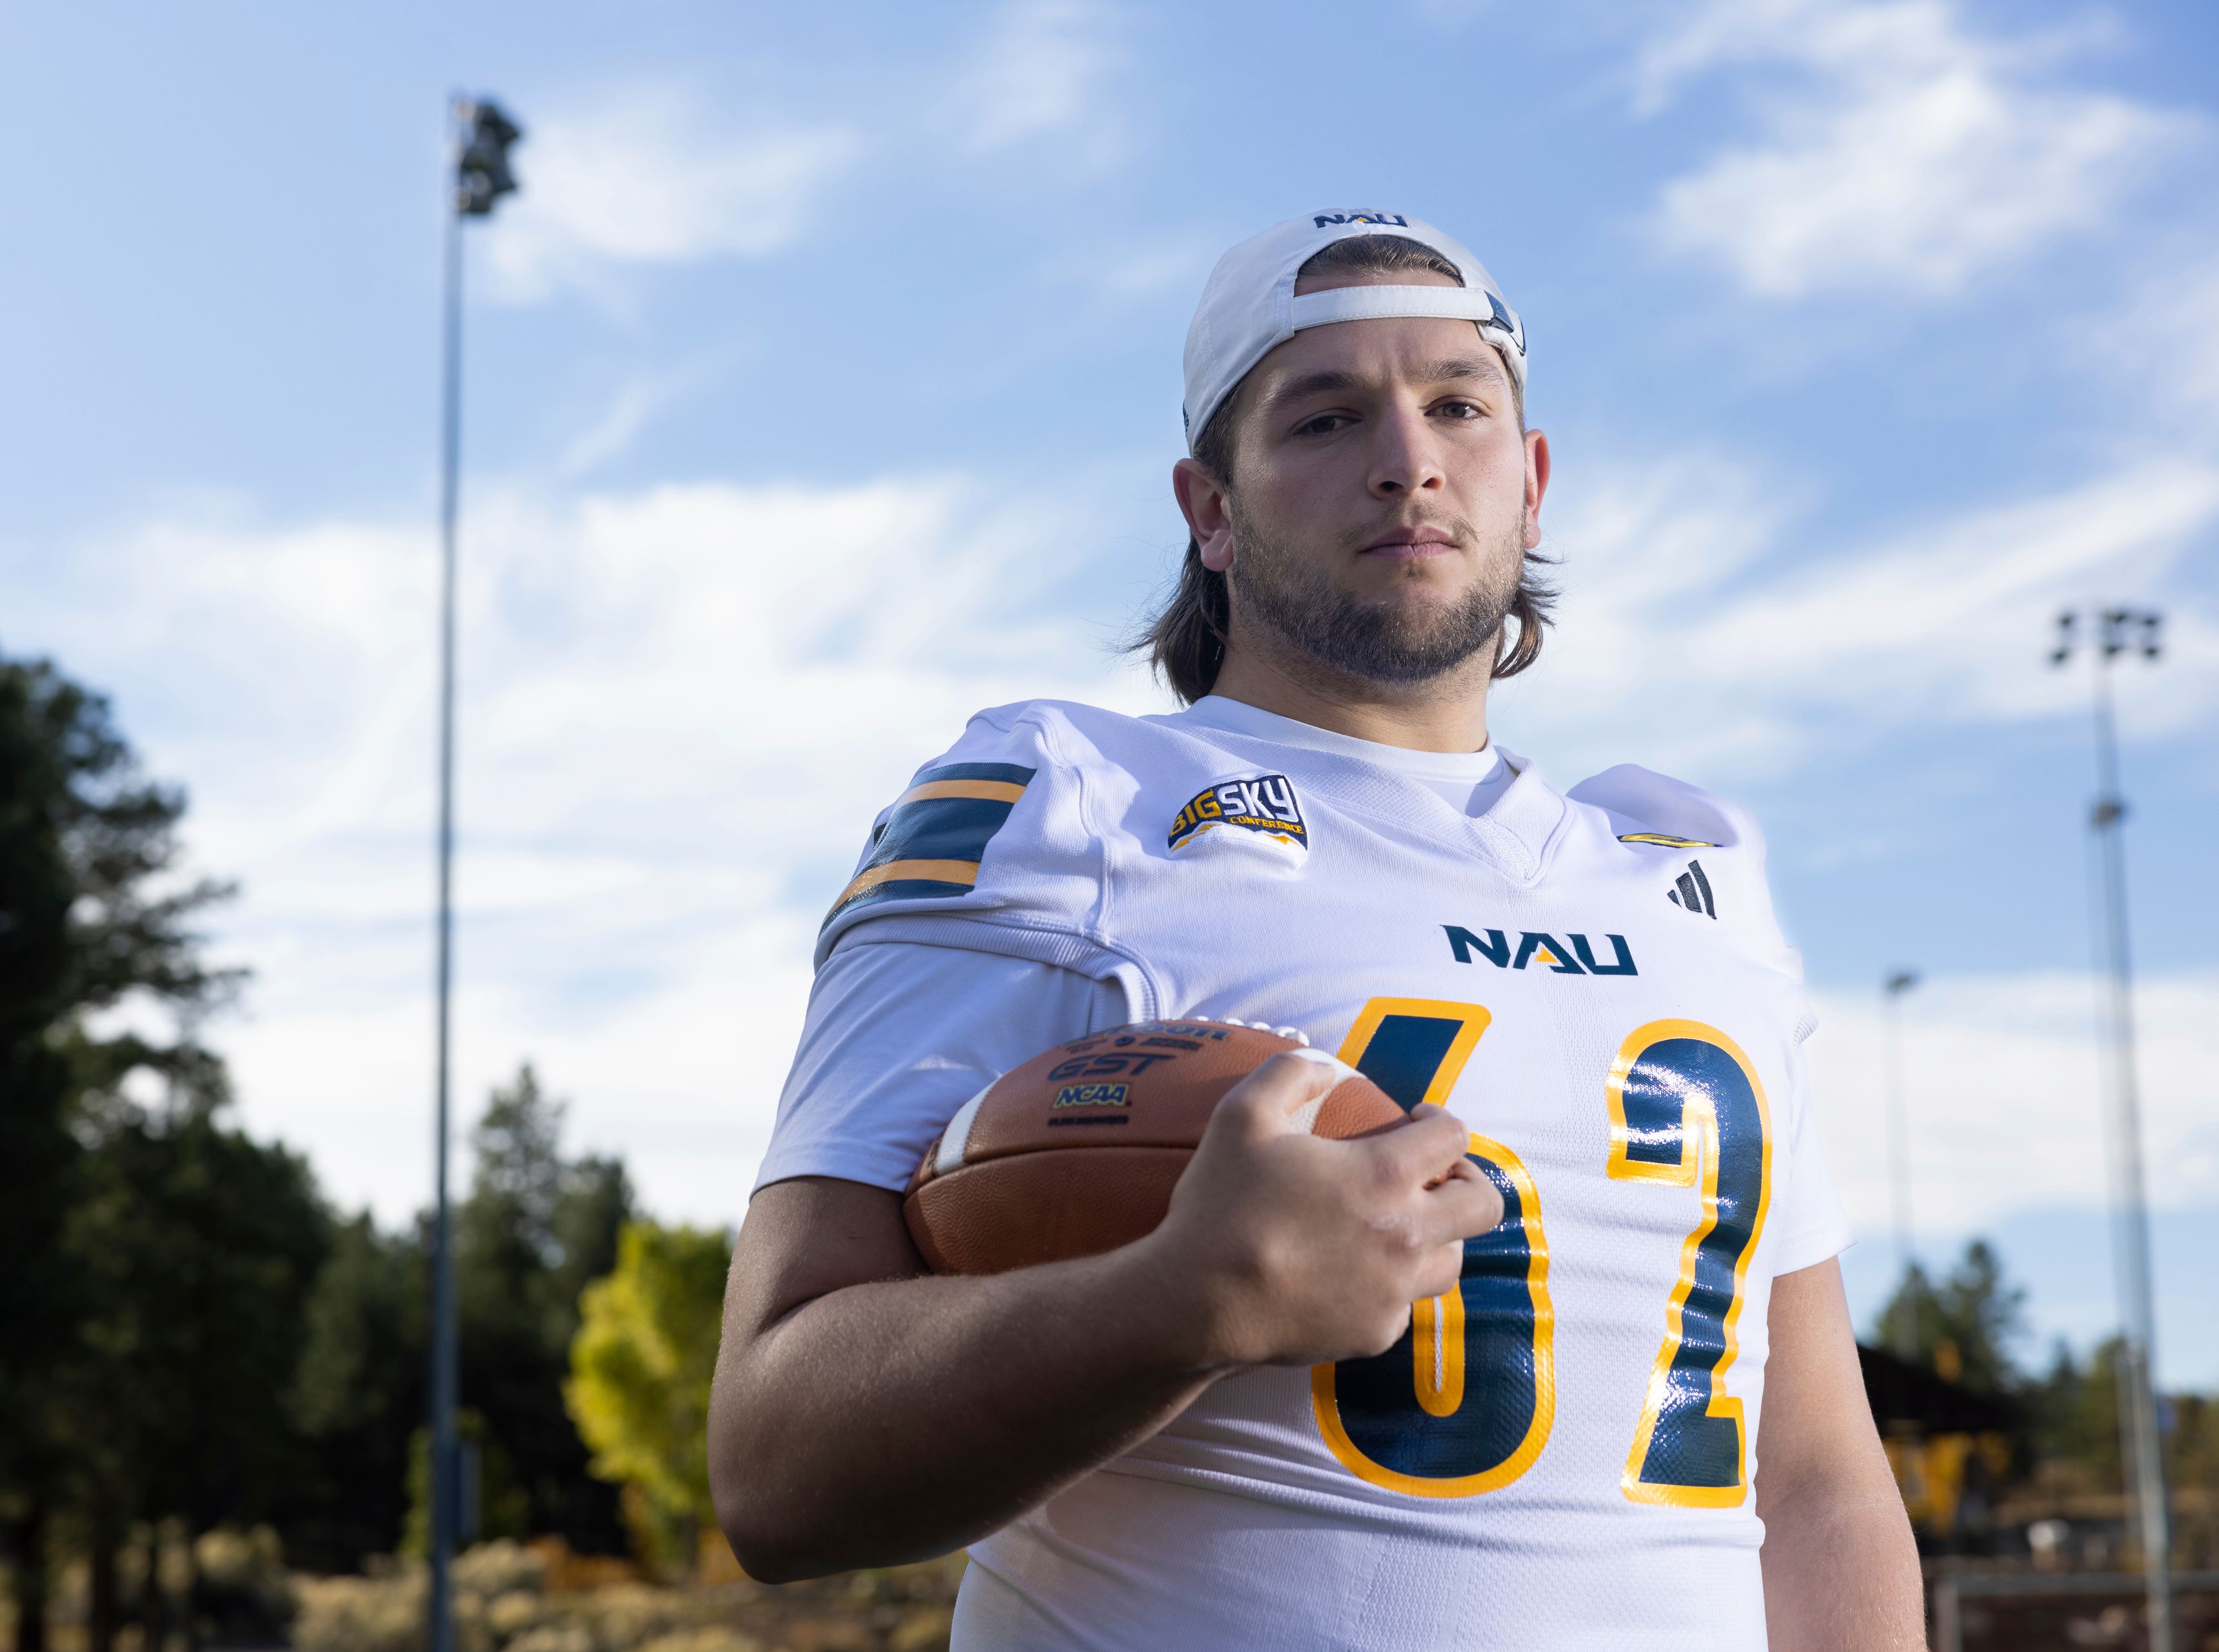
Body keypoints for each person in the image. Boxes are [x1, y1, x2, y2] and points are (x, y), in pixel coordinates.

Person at [708, 210, 1923, 1649]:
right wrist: (1173, 1306)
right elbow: (776, 1461)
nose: (1407, 457)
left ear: (1530, 484)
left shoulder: (1692, 861)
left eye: (1457, 407)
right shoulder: (1065, 798)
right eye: (1326, 416)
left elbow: (1818, 1481)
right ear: (1209, 510)